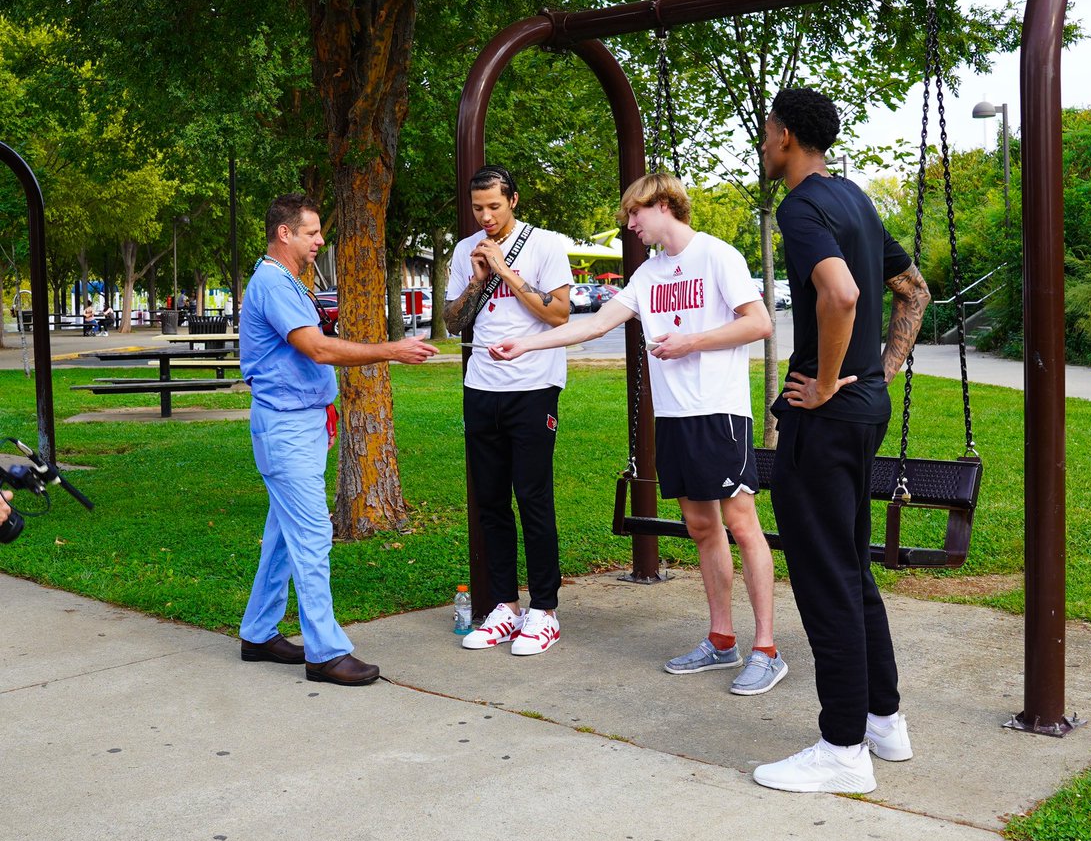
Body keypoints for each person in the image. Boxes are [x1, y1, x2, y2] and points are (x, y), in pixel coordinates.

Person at [491, 173, 785, 695]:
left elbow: (759, 323)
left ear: (666, 205)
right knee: (701, 527)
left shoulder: (718, 255)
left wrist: (692, 342)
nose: (630, 225)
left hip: (719, 413)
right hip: (673, 418)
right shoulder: (649, 273)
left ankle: (767, 649)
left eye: (635, 214)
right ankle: (722, 640)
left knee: (741, 523)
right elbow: (597, 323)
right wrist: (527, 345)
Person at [751, 87, 930, 794]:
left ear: (788, 136)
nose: (764, 145)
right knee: (850, 567)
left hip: (825, 419)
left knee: (825, 577)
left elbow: (843, 294)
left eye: (767, 133)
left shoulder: (800, 207)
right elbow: (913, 290)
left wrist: (828, 382)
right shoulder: (854, 197)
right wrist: (876, 372)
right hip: (865, 411)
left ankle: (843, 748)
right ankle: (883, 721)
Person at [239, 193, 438, 686]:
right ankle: (325, 653)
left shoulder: (289, 282)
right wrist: (390, 349)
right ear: (284, 233)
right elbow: (317, 348)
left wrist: (324, 413)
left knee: (285, 536)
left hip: (299, 423)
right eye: (312, 233)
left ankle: (259, 633)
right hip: (284, 429)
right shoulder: (273, 283)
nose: (320, 240)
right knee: (311, 536)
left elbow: (300, 362)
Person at [445, 165, 572, 656]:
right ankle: (504, 605)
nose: (485, 217)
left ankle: (544, 609)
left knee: (533, 497)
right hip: (482, 385)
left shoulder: (545, 245)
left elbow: (558, 313)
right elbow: (454, 322)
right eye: (478, 208)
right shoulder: (464, 251)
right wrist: (478, 280)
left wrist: (505, 271)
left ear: (513, 200)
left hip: (534, 385)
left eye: (494, 206)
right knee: (491, 501)